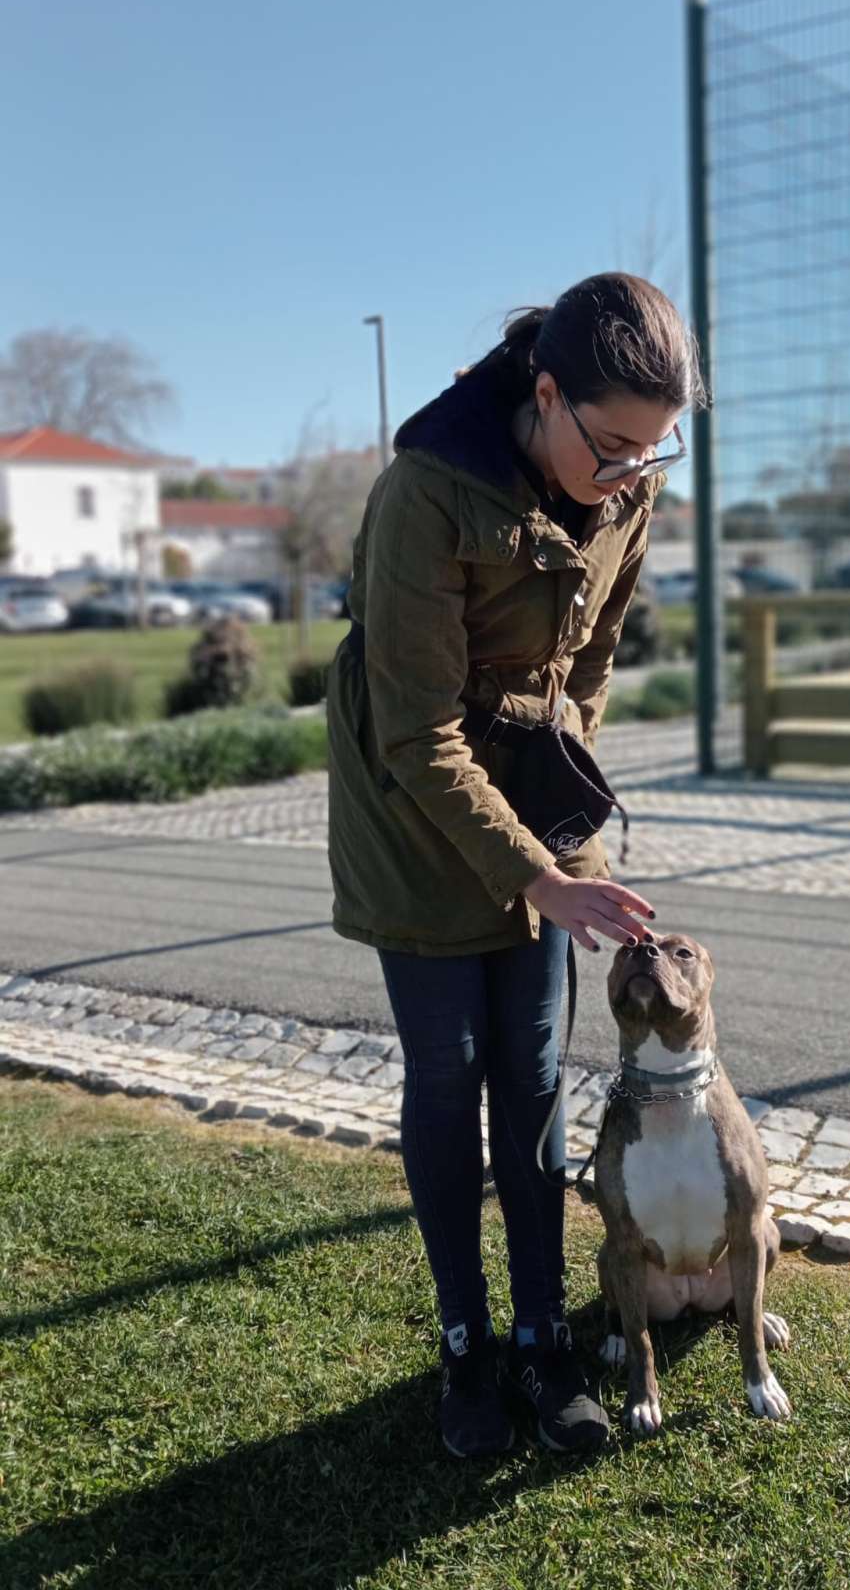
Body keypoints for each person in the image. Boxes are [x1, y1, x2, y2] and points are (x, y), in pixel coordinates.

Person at [325, 273, 705, 1457]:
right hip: (414, 809)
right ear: (543, 394)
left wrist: (564, 799)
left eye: (657, 452)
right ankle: (464, 1339)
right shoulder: (426, 495)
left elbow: (586, 666)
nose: (631, 475)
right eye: (611, 447)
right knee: (452, 1073)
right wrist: (535, 875)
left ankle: (542, 1337)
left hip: (536, 807)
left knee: (533, 1074)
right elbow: (418, 733)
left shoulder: (624, 490)